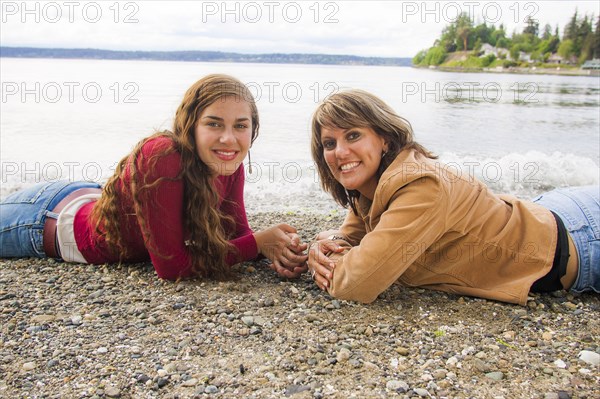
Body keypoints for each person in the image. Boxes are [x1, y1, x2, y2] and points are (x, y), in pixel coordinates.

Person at [0, 74, 307, 280]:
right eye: (214, 124)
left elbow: (236, 237)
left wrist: (281, 248)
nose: (229, 138)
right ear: (190, 126)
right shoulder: (162, 156)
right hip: (44, 219)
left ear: (253, 129)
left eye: (241, 126)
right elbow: (171, 266)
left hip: (86, 195)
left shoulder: (227, 161)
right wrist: (258, 243)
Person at [307, 89, 599, 305]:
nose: (340, 152)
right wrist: (322, 250)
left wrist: (323, 262)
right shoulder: (370, 187)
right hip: (544, 211)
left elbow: (356, 284)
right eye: (329, 143)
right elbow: (348, 239)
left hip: (581, 241)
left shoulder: (421, 186)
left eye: (353, 135)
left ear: (384, 138)